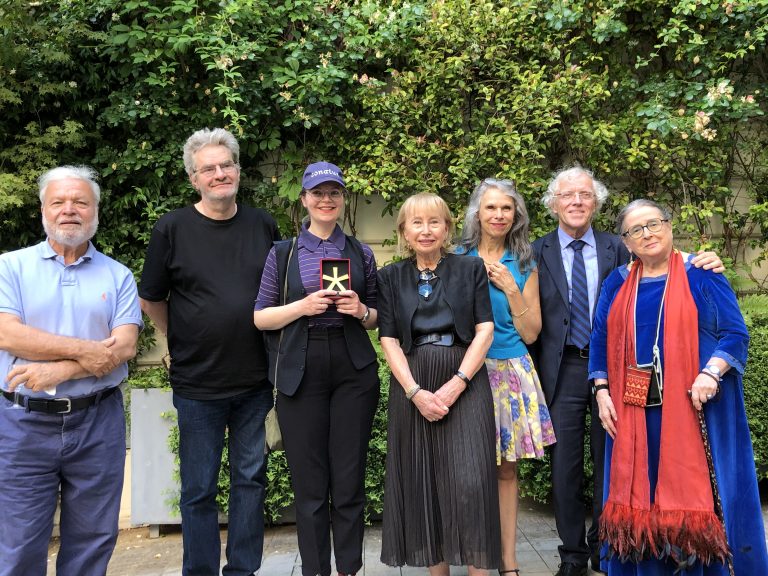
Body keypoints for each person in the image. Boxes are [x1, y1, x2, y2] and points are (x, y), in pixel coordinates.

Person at [531, 166, 723, 576]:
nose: (577, 202)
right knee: (564, 465)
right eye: (567, 195)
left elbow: (662, 264)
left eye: (585, 194)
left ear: (596, 202)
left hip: (618, 373)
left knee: (613, 458)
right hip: (561, 368)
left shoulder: (620, 246)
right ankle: (571, 553)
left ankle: (609, 546)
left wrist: (700, 259)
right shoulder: (536, 250)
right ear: (553, 204)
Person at [589, 199, 768, 575]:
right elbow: (600, 340)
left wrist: (711, 373)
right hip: (634, 412)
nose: (647, 234)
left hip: (695, 412)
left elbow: (734, 334)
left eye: (653, 224)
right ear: (626, 242)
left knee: (692, 495)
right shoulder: (617, 282)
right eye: (636, 230)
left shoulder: (701, 274)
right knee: (641, 495)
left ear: (669, 226)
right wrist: (602, 390)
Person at [139, 128, 279, 576]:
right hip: (197, 384)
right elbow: (152, 299)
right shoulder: (172, 228)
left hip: (256, 382)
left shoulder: (262, 224)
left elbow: (276, 292)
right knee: (198, 489)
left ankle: (242, 570)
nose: (220, 174)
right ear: (194, 179)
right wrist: (176, 340)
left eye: (226, 165)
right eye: (209, 169)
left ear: (237, 169)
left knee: (250, 482)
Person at [0, 165, 142, 575]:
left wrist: (56, 371)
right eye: (58, 202)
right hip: (21, 424)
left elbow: (126, 345)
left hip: (98, 422)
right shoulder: (10, 267)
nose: (69, 210)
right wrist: (83, 353)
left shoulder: (118, 276)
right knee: (19, 543)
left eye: (80, 202)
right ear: (42, 211)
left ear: (95, 211)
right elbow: (8, 334)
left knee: (93, 540)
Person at [253, 161, 380, 576]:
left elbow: (380, 315)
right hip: (299, 370)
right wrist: (302, 307)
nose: (326, 200)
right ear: (304, 200)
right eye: (318, 193)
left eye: (334, 193)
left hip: (352, 368)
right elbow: (260, 318)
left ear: (342, 199)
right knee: (309, 487)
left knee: (348, 481)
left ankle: (348, 569)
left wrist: (361, 310)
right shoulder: (283, 254)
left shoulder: (361, 252)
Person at [378, 192, 500, 576]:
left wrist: (457, 383)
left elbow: (485, 329)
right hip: (413, 385)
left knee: (473, 483)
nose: (426, 230)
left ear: (447, 228)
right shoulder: (390, 276)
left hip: (465, 379)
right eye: (417, 222)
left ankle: (480, 569)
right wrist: (415, 392)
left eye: (435, 222)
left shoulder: (470, 269)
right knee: (422, 483)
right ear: (404, 231)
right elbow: (389, 339)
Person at [458, 178, 555, 575]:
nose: (499, 215)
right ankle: (474, 557)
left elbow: (531, 332)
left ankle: (508, 562)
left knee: (506, 470)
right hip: (469, 372)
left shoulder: (526, 261)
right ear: (476, 213)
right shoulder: (457, 257)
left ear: (516, 215)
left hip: (510, 371)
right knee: (467, 470)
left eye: (507, 208)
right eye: (491, 208)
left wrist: (511, 287)